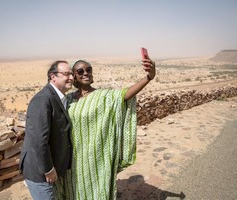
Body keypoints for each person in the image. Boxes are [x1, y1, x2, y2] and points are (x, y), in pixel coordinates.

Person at [55, 56, 156, 200]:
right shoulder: (68, 99)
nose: (85, 73)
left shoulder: (103, 96)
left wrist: (149, 77)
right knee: (74, 191)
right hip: (74, 159)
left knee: (97, 190)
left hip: (97, 157)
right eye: (80, 71)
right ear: (74, 76)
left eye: (88, 70)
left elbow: (126, 94)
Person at [19, 60, 74, 200]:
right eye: (66, 74)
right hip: (40, 173)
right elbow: (38, 141)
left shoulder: (59, 97)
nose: (71, 77)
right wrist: (48, 169)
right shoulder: (43, 100)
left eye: (72, 74)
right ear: (53, 76)